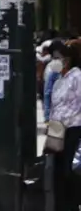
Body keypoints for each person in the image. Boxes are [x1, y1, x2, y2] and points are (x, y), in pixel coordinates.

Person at [47, 38, 81, 210]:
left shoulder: (77, 76)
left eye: (59, 57)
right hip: (57, 130)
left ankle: (71, 204)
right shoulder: (60, 78)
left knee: (70, 170)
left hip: (73, 129)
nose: (57, 61)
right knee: (57, 171)